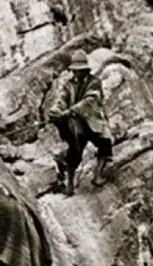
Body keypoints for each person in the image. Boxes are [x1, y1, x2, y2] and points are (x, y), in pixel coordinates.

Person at [46, 49, 114, 195]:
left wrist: (71, 110)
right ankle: (69, 183)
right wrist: (56, 112)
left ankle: (97, 175)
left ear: (85, 70)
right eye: (75, 71)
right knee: (75, 151)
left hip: (93, 121)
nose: (77, 73)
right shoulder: (69, 85)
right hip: (77, 125)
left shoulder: (95, 82)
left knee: (105, 142)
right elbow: (62, 100)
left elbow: (90, 100)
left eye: (79, 70)